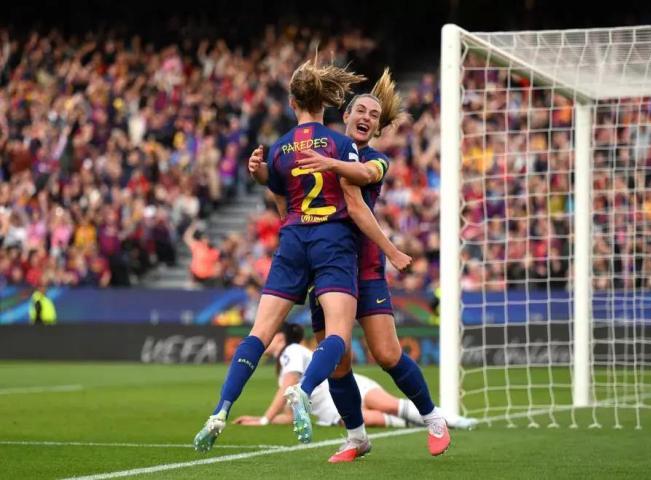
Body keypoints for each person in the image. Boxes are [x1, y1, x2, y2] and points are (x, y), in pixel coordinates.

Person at [193, 60, 411, 454]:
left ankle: (220, 410)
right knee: (337, 336)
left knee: (259, 334)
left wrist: (260, 175)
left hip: (293, 240)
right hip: (332, 243)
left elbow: (282, 204)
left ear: (292, 102)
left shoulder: (279, 148)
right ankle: (304, 389)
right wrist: (392, 250)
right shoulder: (341, 145)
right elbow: (356, 201)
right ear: (326, 103)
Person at [248, 69, 451, 462]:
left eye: (374, 115)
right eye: (360, 110)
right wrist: (264, 176)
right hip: (324, 267)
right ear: (345, 115)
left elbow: (364, 174)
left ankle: (433, 417)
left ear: (377, 127)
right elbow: (286, 202)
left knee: (387, 354)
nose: (366, 117)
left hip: (365, 269)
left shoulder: (373, 160)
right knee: (338, 363)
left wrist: (392, 251)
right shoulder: (320, 150)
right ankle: (356, 437)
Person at [232, 323, 478, 434]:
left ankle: (452, 421)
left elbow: (287, 388)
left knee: (389, 405)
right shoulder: (285, 362)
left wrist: (264, 420)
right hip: (331, 407)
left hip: (341, 391)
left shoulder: (291, 351)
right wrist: (261, 419)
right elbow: (292, 414)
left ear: (280, 338)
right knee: (378, 416)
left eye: (270, 336)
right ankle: (425, 423)